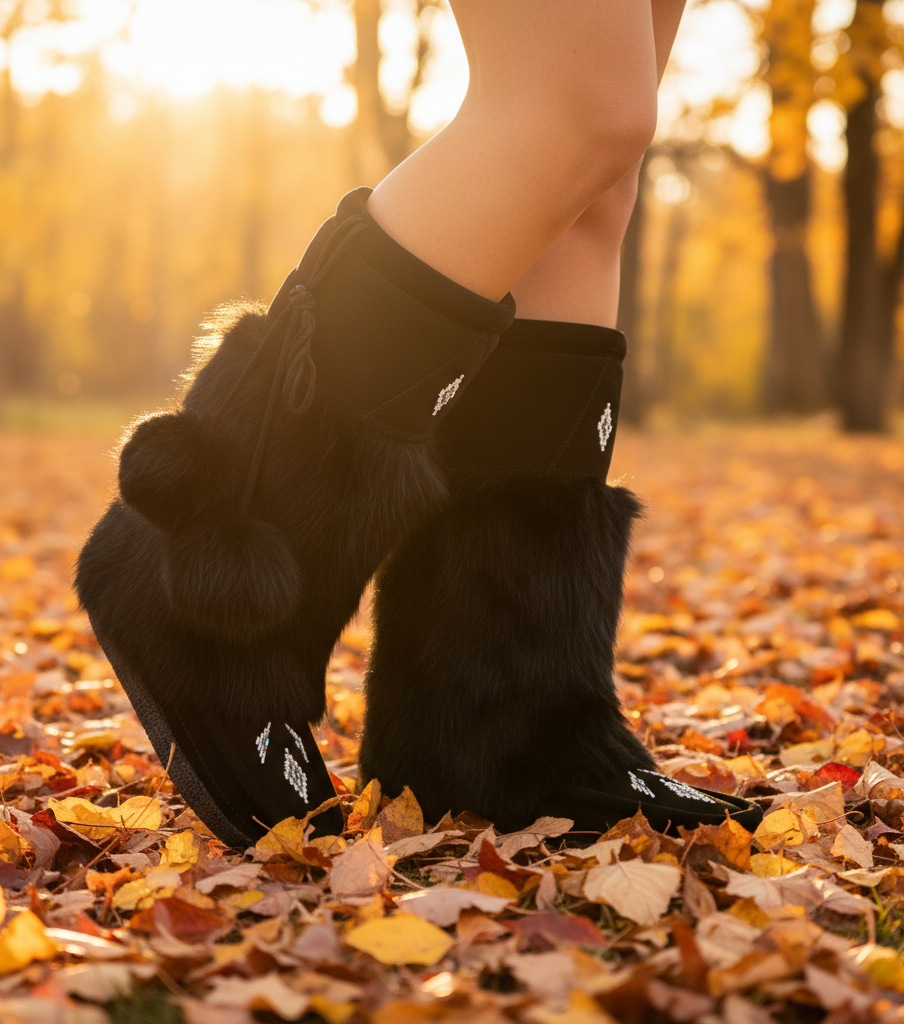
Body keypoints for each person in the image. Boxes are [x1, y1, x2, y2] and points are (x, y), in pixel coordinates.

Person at [75, 0, 762, 848]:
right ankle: (208, 601)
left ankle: (500, 726)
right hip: (217, 569)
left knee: (596, 181)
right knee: (578, 110)